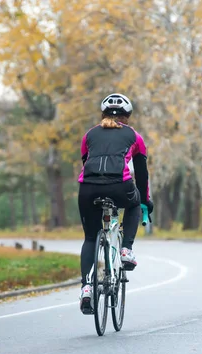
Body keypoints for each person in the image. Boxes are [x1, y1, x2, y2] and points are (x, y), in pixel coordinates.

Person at [77, 93, 153, 314]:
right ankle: (126, 249)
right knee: (134, 204)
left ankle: (86, 288)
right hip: (120, 186)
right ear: (127, 116)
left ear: (102, 114)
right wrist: (145, 201)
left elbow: (86, 162)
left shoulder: (89, 135)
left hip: (88, 189)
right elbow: (142, 174)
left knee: (90, 237)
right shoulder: (134, 136)